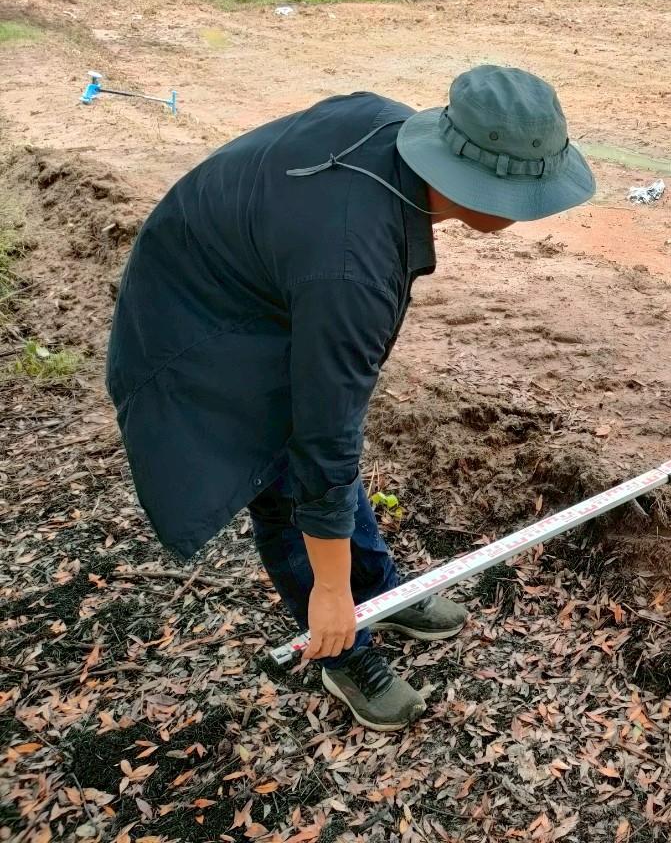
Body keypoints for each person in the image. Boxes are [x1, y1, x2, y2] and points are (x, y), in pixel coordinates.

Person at [106, 66, 596, 731]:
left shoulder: (388, 134)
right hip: (196, 317)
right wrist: (329, 592)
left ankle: (382, 593)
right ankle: (343, 644)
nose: (530, 208)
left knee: (319, 464)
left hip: (265, 274)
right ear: (481, 184)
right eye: (526, 192)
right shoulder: (351, 269)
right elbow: (323, 439)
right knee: (281, 474)